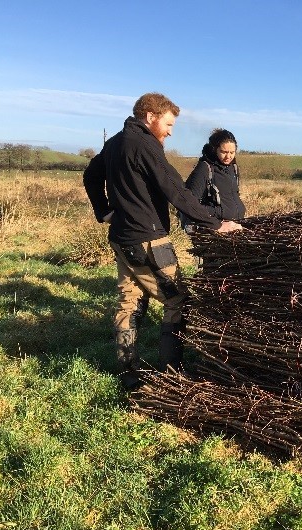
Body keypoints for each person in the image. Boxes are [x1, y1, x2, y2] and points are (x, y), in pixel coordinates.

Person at [83, 92, 242, 389]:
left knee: (129, 302)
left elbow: (91, 175)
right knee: (178, 299)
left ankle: (128, 373)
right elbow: (177, 191)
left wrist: (104, 211)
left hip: (120, 237)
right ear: (151, 117)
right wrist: (216, 224)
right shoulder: (145, 144)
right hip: (148, 240)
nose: (170, 131)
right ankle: (173, 372)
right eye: (168, 124)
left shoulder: (116, 141)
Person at [179, 128, 245, 231]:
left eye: (232, 152)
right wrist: (220, 213)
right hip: (215, 228)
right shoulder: (204, 169)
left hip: (235, 225)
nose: (228, 156)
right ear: (215, 149)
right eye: (224, 152)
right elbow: (191, 204)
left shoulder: (234, 168)